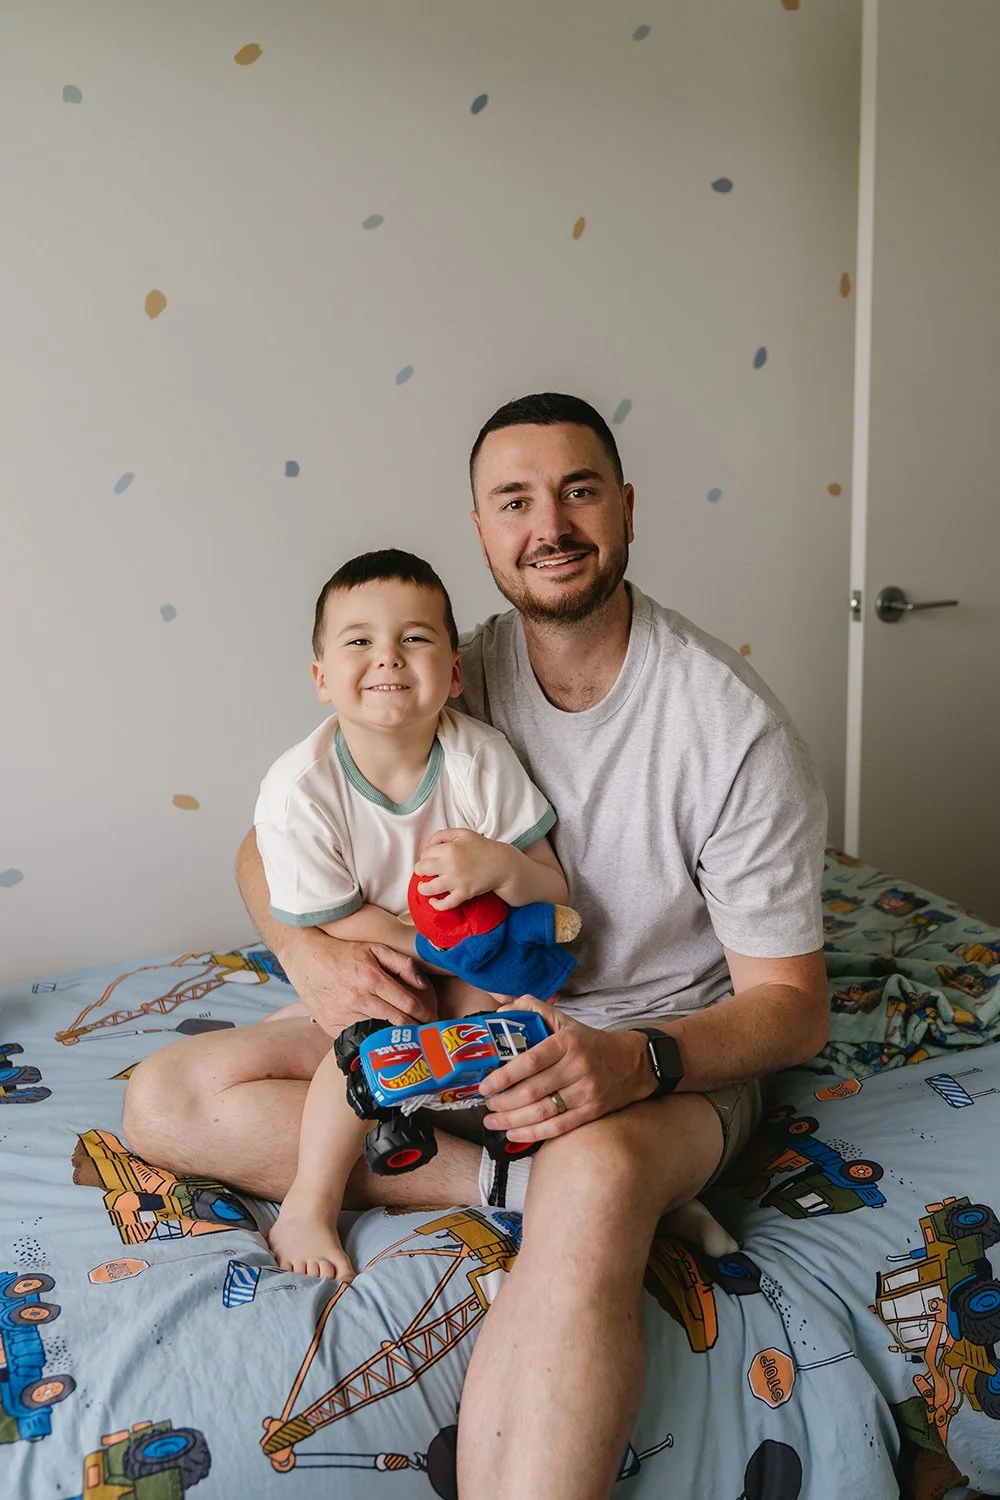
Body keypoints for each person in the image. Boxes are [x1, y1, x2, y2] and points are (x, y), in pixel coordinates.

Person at [124, 392, 829, 1500]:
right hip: (463, 1022)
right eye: (516, 499)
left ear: (628, 510)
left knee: (591, 1177)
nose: (549, 523)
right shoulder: (445, 664)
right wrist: (312, 962)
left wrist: (637, 1059)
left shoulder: (729, 731)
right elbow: (268, 851)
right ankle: (499, 1177)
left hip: (650, 1058)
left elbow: (792, 1007)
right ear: (484, 529)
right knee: (165, 1098)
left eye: (579, 490)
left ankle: (570, 1197)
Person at [252, 546, 575, 1280]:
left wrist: (504, 868)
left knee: (522, 1026)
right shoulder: (299, 790)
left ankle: (571, 1167)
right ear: (322, 678)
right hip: (382, 956)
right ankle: (310, 1198)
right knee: (367, 1035)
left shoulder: (480, 759)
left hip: (478, 963)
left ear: (454, 672)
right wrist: (422, 946)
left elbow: (551, 893)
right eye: (359, 641)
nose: (388, 657)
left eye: (416, 638)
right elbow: (329, 922)